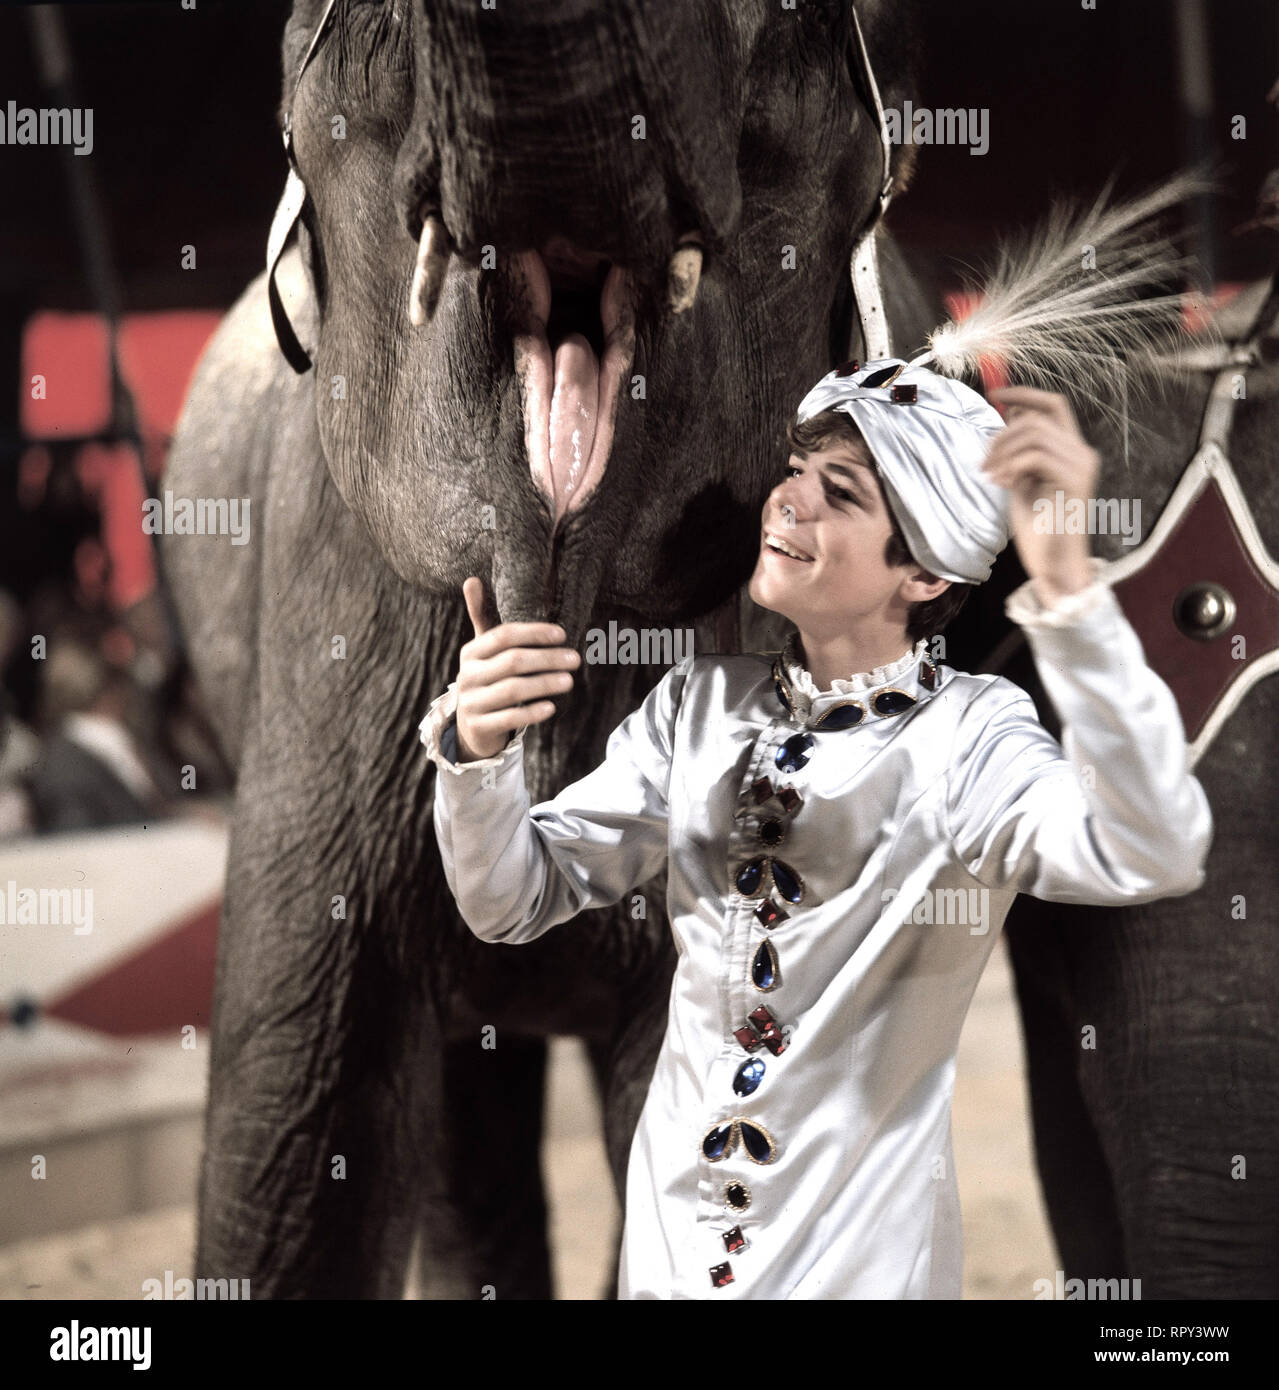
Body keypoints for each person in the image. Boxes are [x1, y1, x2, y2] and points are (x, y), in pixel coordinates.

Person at [419, 353, 1212, 1299]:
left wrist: (1074, 603)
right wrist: (477, 750)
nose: (787, 500)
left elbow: (1150, 847)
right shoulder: (698, 706)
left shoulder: (968, 736)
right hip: (669, 1252)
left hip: (858, 1265)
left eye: (838, 493)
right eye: (795, 470)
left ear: (919, 572)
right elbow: (510, 900)